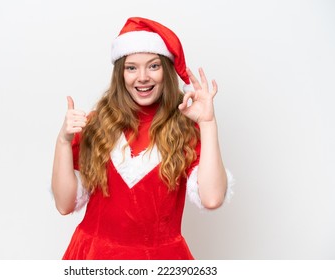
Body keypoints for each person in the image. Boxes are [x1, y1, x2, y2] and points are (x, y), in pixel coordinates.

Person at [51, 17, 234, 260]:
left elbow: (212, 198)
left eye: (153, 66)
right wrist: (63, 142)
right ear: (121, 73)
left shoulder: (185, 129)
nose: (143, 77)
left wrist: (208, 124)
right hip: (93, 257)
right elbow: (64, 205)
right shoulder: (95, 124)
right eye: (132, 67)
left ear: (166, 71)